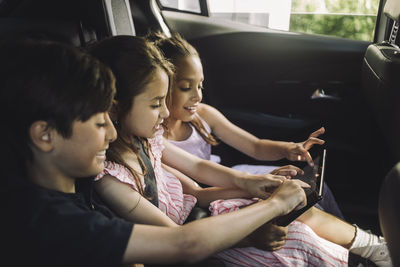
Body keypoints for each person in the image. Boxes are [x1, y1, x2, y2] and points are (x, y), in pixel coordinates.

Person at [1, 37, 309, 267]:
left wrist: (246, 188)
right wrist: (273, 206)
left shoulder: (78, 187)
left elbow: (194, 187)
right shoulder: (50, 219)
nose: (111, 132)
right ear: (45, 135)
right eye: (99, 122)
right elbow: (183, 243)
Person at [89, 35, 392, 267]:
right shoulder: (112, 180)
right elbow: (179, 241)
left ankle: (371, 250)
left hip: (202, 216)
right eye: (156, 104)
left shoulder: (147, 141)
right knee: (295, 236)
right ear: (116, 107)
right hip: (198, 238)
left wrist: (251, 185)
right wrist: (251, 230)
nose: (166, 113)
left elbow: (196, 181)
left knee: (295, 215)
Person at [149, 31, 344, 220]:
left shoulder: (203, 114)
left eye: (200, 85)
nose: (198, 96)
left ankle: (351, 237)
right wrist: (250, 185)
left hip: (231, 174)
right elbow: (197, 187)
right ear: (162, 87)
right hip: (213, 191)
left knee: (314, 187)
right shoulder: (156, 141)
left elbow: (255, 146)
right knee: (300, 201)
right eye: (186, 87)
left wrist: (289, 148)